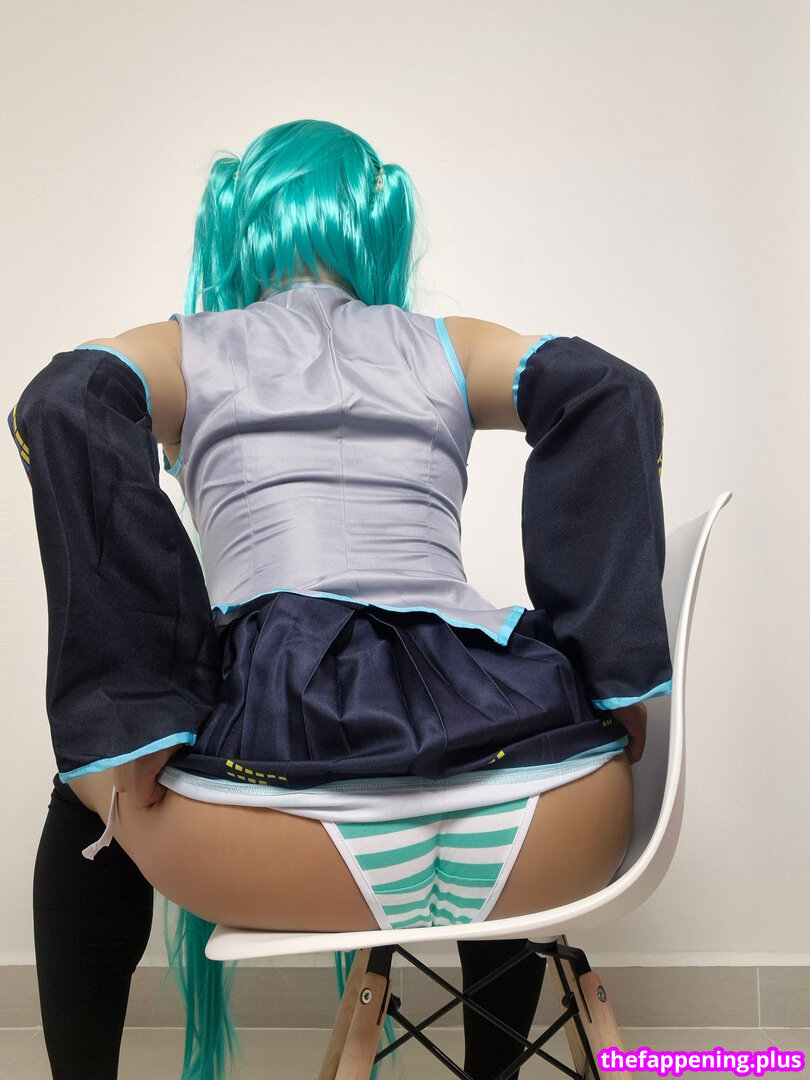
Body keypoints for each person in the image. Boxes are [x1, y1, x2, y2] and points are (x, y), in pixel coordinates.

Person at [11, 118, 671, 1080]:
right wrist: (617, 674)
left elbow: (62, 398)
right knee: (488, 735)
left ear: (238, 224)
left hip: (288, 831)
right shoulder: (447, 346)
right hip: (545, 829)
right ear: (380, 222)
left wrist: (130, 713)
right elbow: (608, 388)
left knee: (84, 788)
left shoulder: (192, 348)